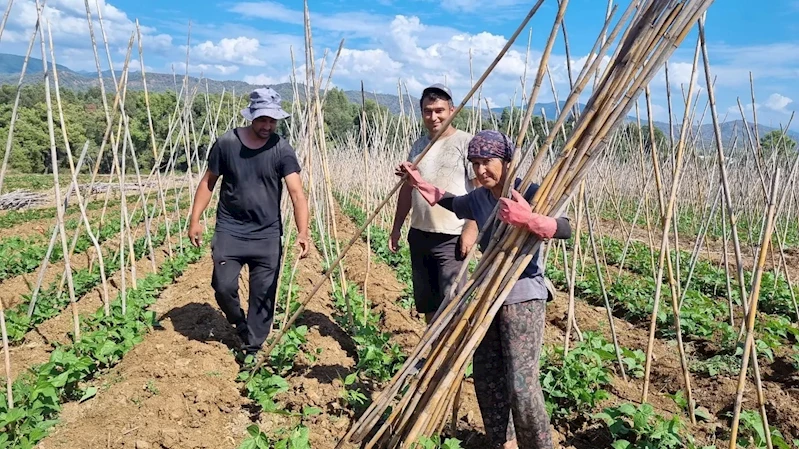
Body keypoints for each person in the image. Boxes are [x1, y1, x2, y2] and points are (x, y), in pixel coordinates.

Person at [396, 130, 571, 449]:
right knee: (487, 377)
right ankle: (504, 443)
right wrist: (418, 182)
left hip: (523, 296)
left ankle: (539, 445)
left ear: (507, 161)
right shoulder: (479, 198)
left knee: (522, 382)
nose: (480, 170)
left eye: (487, 162)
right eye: (474, 163)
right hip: (487, 297)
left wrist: (530, 220)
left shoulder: (531, 192)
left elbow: (565, 227)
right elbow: (448, 201)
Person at [188, 87, 310, 356]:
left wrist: (303, 231)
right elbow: (209, 182)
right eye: (262, 119)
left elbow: (297, 193)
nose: (267, 125)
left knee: (263, 295)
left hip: (266, 234)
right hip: (230, 229)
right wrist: (194, 219)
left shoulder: (281, 149)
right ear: (251, 116)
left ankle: (252, 347)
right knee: (223, 286)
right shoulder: (227, 143)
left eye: (272, 120)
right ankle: (239, 323)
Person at [389, 83, 479, 324]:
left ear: (452, 110)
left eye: (439, 110)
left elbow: (480, 191)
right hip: (420, 234)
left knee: (452, 301)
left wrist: (471, 229)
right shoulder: (419, 146)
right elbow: (408, 189)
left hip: (452, 236)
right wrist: (397, 226)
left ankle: (452, 357)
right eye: (428, 111)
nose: (434, 116)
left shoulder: (467, 143)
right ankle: (431, 354)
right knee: (428, 301)